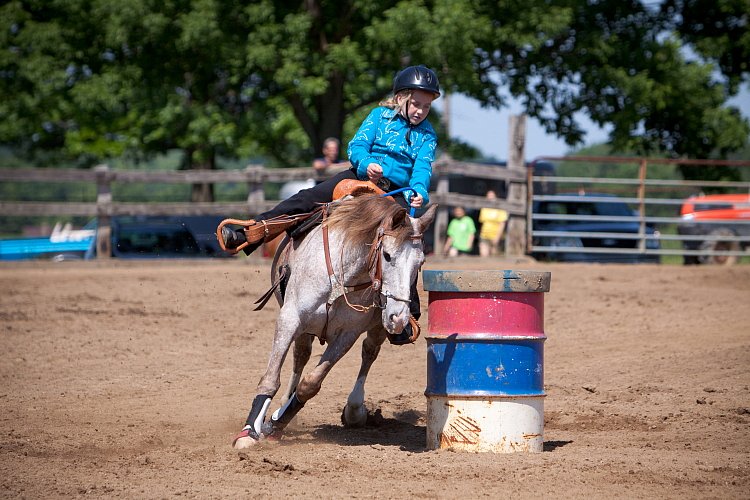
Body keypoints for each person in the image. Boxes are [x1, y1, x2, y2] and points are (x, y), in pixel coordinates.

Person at [221, 65, 441, 344]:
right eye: (416, 104)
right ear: (401, 98)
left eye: (427, 106)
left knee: (406, 243)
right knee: (307, 197)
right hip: (359, 176)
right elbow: (357, 146)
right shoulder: (378, 117)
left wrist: (419, 192)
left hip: (396, 194)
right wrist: (366, 163)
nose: (421, 111)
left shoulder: (427, 135)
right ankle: (253, 231)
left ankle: (405, 313)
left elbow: (422, 168)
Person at [478, 190, 508, 257]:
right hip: (484, 235)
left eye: (491, 196)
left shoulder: (500, 209)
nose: (490, 198)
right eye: (488, 196)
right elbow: (482, 222)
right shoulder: (484, 208)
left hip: (495, 235)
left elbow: (502, 224)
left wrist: (497, 237)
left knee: (494, 256)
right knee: (483, 255)